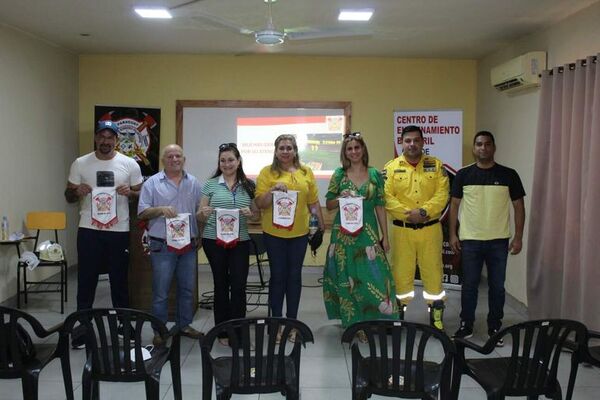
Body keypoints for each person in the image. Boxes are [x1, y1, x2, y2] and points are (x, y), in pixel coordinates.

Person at [65, 120, 143, 347]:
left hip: (118, 230)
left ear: (117, 140)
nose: (106, 141)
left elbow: (141, 193)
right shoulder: (80, 163)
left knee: (119, 279)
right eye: (102, 137)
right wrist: (76, 191)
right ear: (96, 138)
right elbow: (68, 195)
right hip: (89, 229)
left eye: (111, 137)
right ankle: (82, 326)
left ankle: (123, 324)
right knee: (86, 279)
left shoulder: (129, 164)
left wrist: (131, 192)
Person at [449, 131, 525, 345]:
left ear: (494, 147)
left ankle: (495, 326)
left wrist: (518, 237)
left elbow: (519, 206)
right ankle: (466, 325)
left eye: (487, 144)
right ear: (474, 148)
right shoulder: (463, 174)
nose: (483, 148)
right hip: (470, 240)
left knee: (497, 286)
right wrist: (453, 233)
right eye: (479, 144)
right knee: (470, 285)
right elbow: (454, 205)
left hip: (498, 241)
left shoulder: (509, 174)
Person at [323, 132, 398, 334]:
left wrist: (385, 237)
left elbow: (380, 206)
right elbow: (329, 204)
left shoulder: (375, 175)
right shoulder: (339, 174)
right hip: (343, 236)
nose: (354, 152)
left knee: (374, 278)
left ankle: (372, 320)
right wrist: (340, 197)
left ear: (363, 149)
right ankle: (353, 325)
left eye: (357, 147)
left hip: (369, 235)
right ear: (344, 152)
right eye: (350, 148)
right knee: (347, 280)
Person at [254, 134, 325, 340]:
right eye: (281, 148)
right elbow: (260, 203)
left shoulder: (306, 172)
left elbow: (313, 202)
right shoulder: (267, 173)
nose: (285, 151)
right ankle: (275, 324)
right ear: (276, 151)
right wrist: (272, 190)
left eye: (289, 148)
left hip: (300, 234)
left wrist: (320, 225)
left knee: (294, 278)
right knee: (278, 277)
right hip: (274, 234)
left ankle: (292, 324)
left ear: (295, 151)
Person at [383, 125, 449, 330]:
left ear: (423, 142)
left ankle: (436, 317)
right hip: (402, 231)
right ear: (402, 143)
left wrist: (423, 212)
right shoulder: (391, 168)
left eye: (416, 140)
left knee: (434, 272)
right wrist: (408, 213)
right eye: (407, 140)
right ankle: (398, 314)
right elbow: (386, 197)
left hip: (430, 229)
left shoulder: (436, 166)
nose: (412, 144)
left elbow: (442, 194)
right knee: (400, 273)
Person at [138, 144, 204, 344]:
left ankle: (184, 325)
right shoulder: (151, 183)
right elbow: (141, 213)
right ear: (163, 160)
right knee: (160, 291)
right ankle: (159, 330)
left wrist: (199, 234)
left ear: (184, 159)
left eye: (178, 156)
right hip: (162, 245)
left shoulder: (193, 183)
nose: (175, 159)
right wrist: (160, 210)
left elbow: (199, 213)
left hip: (188, 245)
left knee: (187, 289)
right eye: (170, 156)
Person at [198, 143, 257, 346]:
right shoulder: (210, 184)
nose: (227, 164)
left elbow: (257, 215)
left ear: (238, 161)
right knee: (220, 285)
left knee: (239, 286)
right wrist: (202, 213)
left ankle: (239, 331)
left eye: (230, 160)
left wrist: (252, 214)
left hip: (240, 241)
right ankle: (222, 332)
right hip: (214, 241)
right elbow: (200, 213)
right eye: (222, 160)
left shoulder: (249, 185)